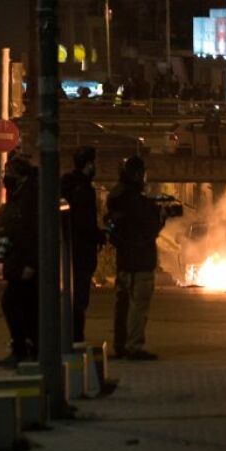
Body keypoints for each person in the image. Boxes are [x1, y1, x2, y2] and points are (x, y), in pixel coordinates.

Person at [105, 156, 164, 361]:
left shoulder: (116, 197)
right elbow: (151, 228)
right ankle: (134, 346)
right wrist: (161, 215)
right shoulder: (139, 203)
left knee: (122, 305)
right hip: (140, 262)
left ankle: (120, 345)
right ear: (138, 174)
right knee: (138, 306)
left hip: (124, 261)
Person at [0, 156, 40, 365]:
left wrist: (31, 262)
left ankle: (23, 349)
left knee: (13, 303)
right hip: (17, 258)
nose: (6, 177)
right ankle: (28, 348)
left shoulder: (30, 196)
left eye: (9, 171)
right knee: (23, 305)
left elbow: (33, 231)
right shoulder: (19, 192)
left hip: (25, 260)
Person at [60, 146, 105, 343]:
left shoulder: (67, 184)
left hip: (67, 249)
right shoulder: (83, 189)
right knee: (79, 300)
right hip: (81, 252)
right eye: (94, 163)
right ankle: (75, 340)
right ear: (88, 165)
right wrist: (98, 236)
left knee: (70, 297)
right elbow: (84, 221)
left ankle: (70, 337)